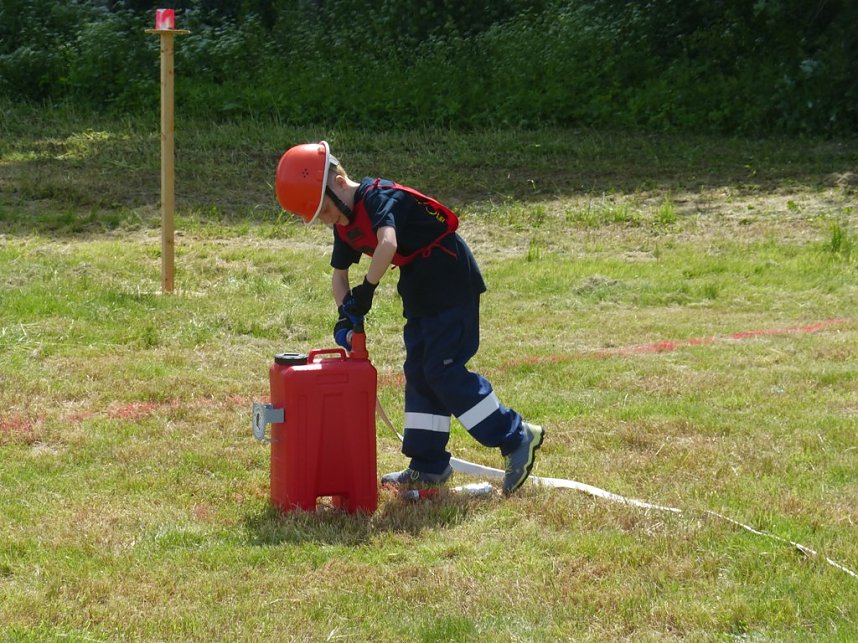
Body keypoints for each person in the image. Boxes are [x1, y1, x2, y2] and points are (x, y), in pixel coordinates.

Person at [274, 141, 544, 496]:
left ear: (338, 180)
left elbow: (387, 244)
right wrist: (346, 317)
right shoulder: (345, 224)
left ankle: (516, 435)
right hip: (419, 286)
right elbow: (338, 278)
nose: (328, 220)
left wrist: (367, 290)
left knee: (442, 369)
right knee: (419, 370)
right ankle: (428, 466)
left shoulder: (378, 198)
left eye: (324, 210)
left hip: (450, 279)